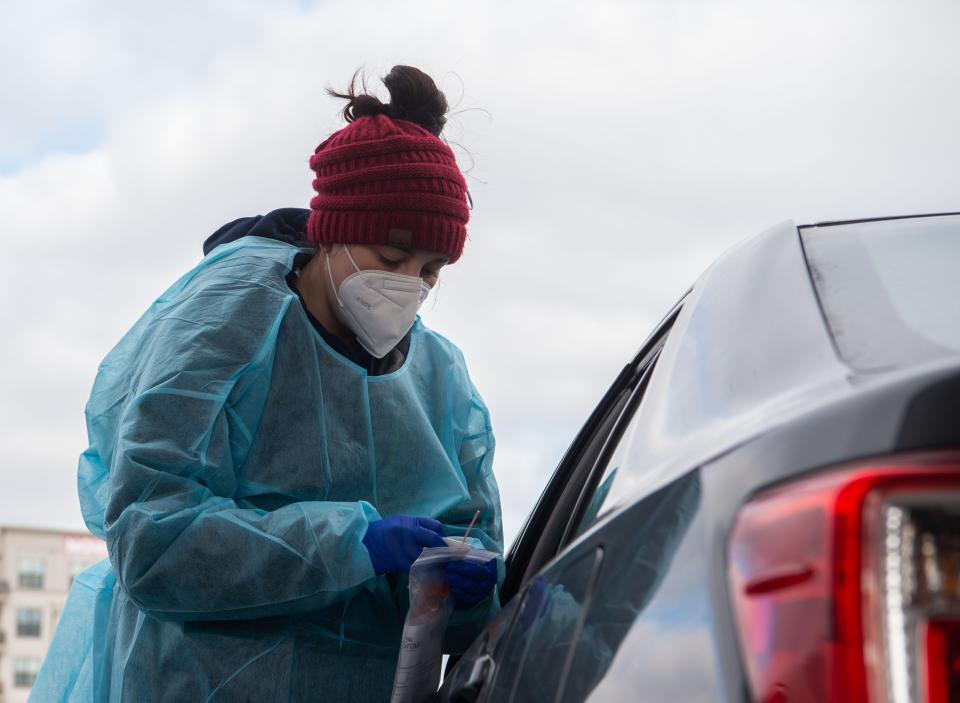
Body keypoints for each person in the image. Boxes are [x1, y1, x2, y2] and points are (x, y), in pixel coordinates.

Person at [30, 65, 503, 703]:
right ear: (331, 235)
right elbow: (151, 539)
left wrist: (458, 588)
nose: (410, 286)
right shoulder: (225, 329)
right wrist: (352, 542)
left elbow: (471, 578)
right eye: (391, 260)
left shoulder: (437, 380)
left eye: (432, 271)